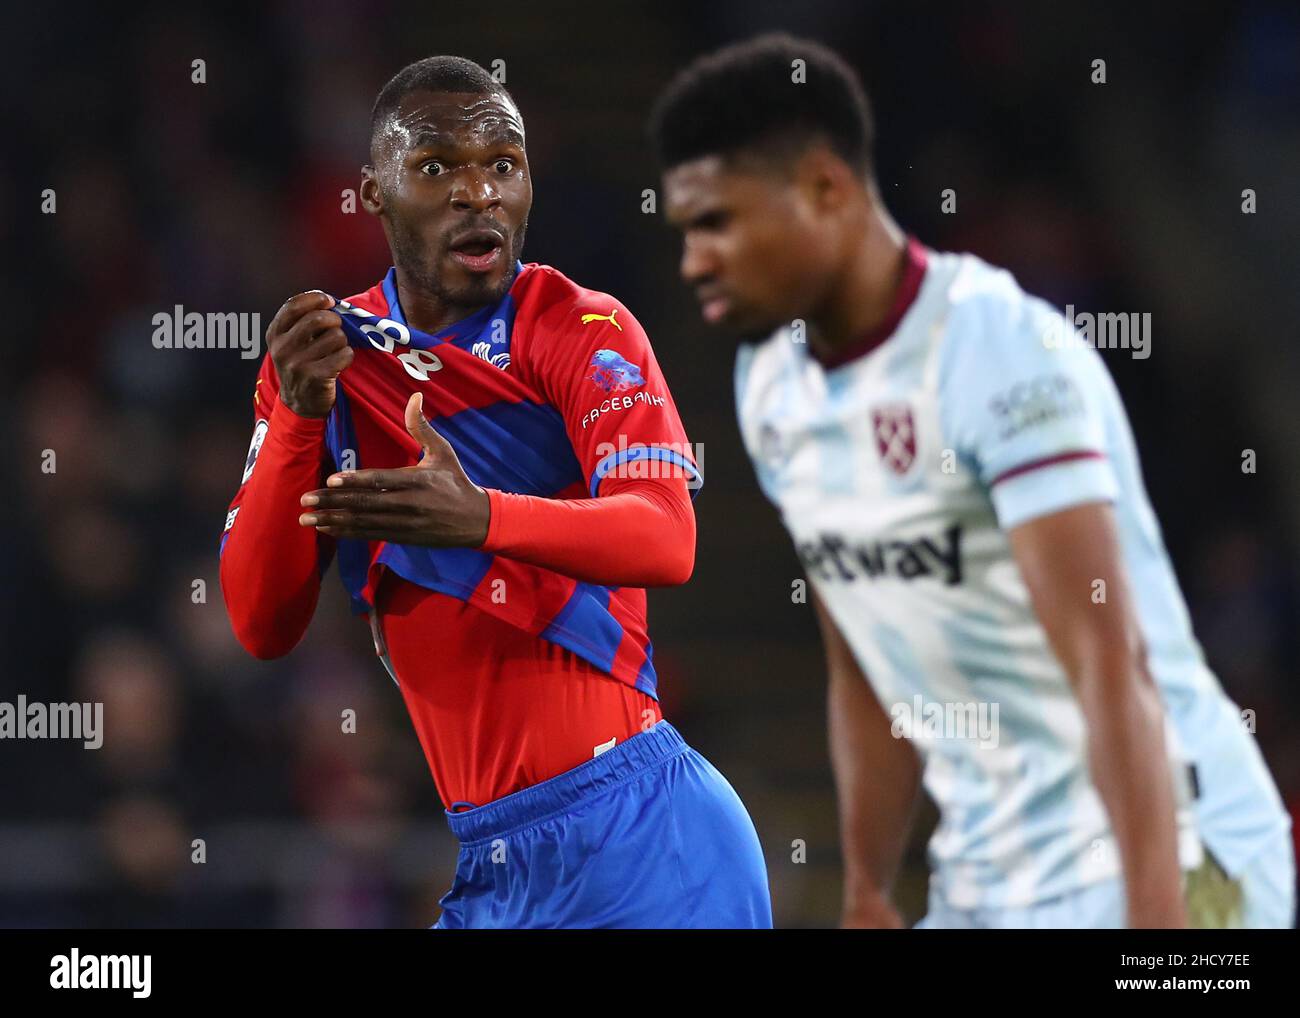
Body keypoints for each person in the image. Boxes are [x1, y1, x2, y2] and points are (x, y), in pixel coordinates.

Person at [650, 32, 1292, 928]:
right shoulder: (772, 390)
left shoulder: (996, 353)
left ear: (826, 190)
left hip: (1172, 853)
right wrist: (868, 887)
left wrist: (1159, 932)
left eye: (718, 222)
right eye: (685, 232)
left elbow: (1112, 664)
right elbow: (866, 667)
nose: (695, 262)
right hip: (993, 875)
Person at [220, 55, 771, 929]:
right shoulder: (328, 359)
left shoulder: (580, 328)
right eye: (438, 166)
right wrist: (294, 420)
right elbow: (260, 624)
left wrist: (479, 517)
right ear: (373, 192)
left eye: (502, 163)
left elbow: (669, 537)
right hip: (494, 865)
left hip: (645, 841)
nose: (479, 192)